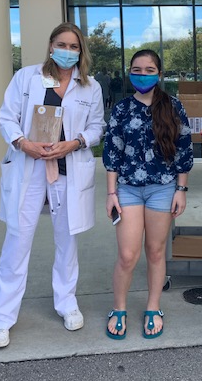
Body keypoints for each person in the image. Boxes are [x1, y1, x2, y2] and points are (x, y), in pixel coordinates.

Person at [0, 22, 105, 348]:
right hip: (29, 167)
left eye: (74, 47)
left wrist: (74, 143)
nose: (67, 51)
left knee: (66, 241)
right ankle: (3, 315)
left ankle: (66, 303)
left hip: (66, 169)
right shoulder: (27, 77)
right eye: (62, 44)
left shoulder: (90, 87)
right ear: (50, 46)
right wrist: (22, 143)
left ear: (81, 51)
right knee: (17, 240)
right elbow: (6, 116)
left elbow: (97, 126)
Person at [102, 49, 193, 340]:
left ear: (160, 74)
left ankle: (153, 307)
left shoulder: (174, 106)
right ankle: (119, 308)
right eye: (137, 69)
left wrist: (181, 189)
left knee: (155, 251)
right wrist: (111, 192)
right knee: (127, 255)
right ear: (130, 72)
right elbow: (112, 152)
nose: (143, 75)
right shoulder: (121, 109)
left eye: (149, 69)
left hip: (163, 188)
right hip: (127, 189)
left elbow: (184, 150)